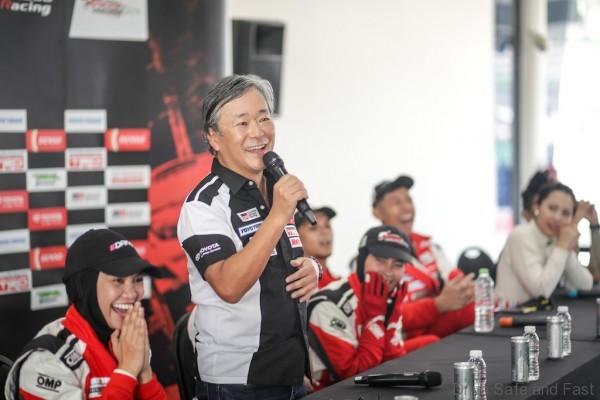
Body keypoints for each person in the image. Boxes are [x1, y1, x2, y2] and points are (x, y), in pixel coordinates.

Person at [177, 74, 319, 400]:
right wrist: (279, 214)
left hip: (290, 371)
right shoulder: (204, 204)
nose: (258, 132)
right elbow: (229, 286)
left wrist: (313, 267)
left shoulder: (275, 186)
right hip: (237, 383)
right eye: (242, 123)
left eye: (264, 118)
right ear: (213, 137)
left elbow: (279, 263)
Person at [4, 229, 167, 400]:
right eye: (118, 280)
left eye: (138, 280)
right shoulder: (46, 360)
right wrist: (127, 371)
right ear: (86, 287)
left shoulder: (129, 343)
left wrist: (144, 373)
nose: (132, 293)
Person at [307, 226, 440, 388]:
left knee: (433, 346)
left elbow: (392, 361)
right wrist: (376, 318)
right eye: (380, 260)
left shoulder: (388, 296)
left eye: (398, 264)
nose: (388, 272)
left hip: (368, 382)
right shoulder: (327, 304)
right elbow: (354, 376)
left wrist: (391, 315)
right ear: (362, 260)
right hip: (329, 390)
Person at [371, 175, 474, 337]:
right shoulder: (372, 260)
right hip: (404, 339)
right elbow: (385, 317)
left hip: (437, 327)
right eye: (397, 202)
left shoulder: (429, 246)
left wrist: (463, 287)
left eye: (409, 200)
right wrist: (438, 304)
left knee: (475, 310)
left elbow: (453, 278)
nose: (407, 208)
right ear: (377, 213)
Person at [496, 182, 595, 304]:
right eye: (552, 208)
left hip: (537, 312)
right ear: (537, 206)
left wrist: (566, 248)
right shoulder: (520, 235)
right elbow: (541, 291)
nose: (557, 217)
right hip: (508, 313)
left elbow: (585, 285)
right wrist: (562, 247)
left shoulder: (556, 239)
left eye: (565, 213)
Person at [296, 206, 340, 288]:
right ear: (296, 236)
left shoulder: (344, 284)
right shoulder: (293, 284)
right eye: (313, 228)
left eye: (327, 226)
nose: (324, 232)